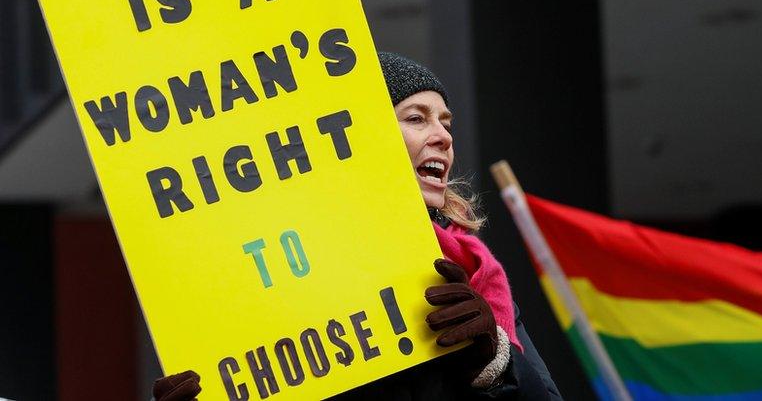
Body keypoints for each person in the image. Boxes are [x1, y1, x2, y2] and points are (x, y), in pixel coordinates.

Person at [152, 52, 562, 400]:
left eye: (446, 123)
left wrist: (495, 363)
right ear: (356, 139)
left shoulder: (465, 279)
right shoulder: (278, 277)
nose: (442, 137)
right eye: (417, 119)